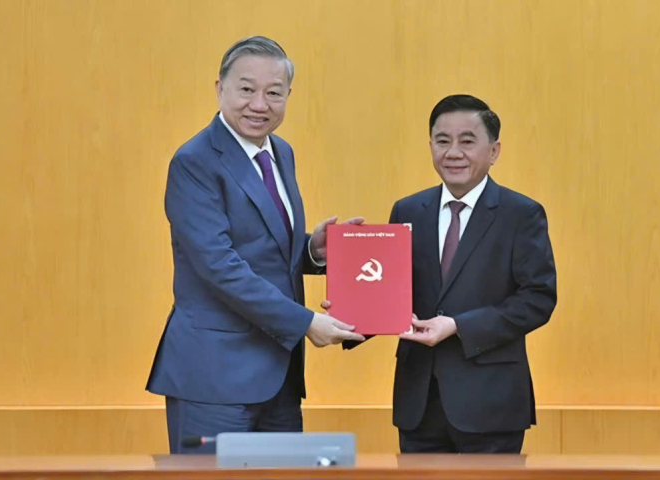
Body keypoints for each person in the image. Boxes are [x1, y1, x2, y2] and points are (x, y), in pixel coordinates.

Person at [146, 36, 364, 454]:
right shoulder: (194, 162)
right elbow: (220, 266)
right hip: (214, 378)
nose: (259, 104)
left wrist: (312, 251)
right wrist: (306, 322)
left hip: (279, 377)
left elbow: (263, 248)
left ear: (288, 96)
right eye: (247, 89)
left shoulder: (281, 152)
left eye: (274, 93)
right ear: (220, 89)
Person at [342, 94, 557, 453]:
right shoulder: (409, 210)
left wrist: (458, 325)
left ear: (494, 151)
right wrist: (349, 316)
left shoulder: (521, 214)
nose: (453, 152)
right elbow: (391, 290)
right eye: (443, 141)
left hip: (491, 401)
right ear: (431, 147)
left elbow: (537, 299)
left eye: (467, 141)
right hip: (418, 400)